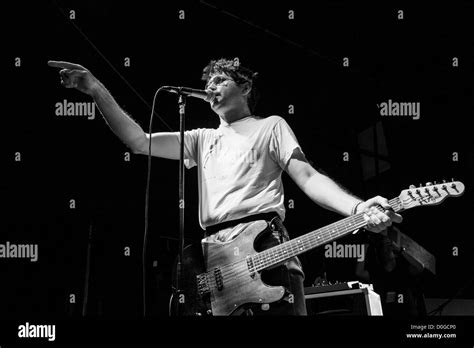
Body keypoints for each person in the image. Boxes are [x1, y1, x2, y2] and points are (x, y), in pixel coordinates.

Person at [48, 57, 403, 315]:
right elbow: (139, 141)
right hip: (212, 258)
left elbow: (308, 178)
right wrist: (95, 89)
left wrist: (357, 208)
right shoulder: (201, 138)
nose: (209, 88)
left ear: (245, 87)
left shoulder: (271, 126)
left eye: (219, 80)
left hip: (264, 244)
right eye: (208, 83)